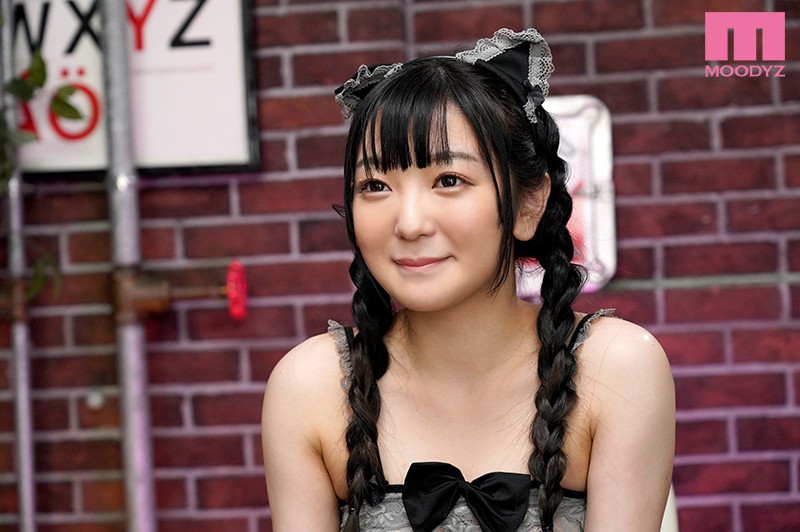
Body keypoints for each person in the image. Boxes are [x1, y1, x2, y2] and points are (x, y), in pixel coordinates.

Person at [261, 28, 675, 532]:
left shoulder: (613, 369)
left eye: (449, 180)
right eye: (376, 185)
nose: (409, 223)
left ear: (528, 204)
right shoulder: (312, 386)